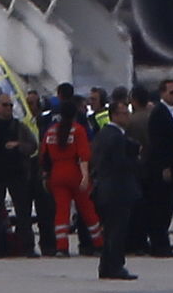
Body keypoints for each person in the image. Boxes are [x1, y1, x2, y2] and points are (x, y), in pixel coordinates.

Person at [0, 93, 39, 258]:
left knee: (23, 212)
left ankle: (27, 247)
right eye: (5, 105)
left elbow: (33, 145)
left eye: (10, 106)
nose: (8, 109)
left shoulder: (19, 127)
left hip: (16, 174)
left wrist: (18, 145)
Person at [41, 101, 104, 257]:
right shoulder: (78, 130)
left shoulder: (51, 132)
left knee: (61, 212)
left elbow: (43, 156)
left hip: (56, 174)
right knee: (88, 210)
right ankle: (99, 244)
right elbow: (84, 156)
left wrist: (45, 175)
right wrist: (85, 176)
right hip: (74, 173)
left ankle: (62, 246)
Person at [91, 101, 141, 280]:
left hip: (104, 188)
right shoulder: (116, 137)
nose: (127, 116)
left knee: (110, 229)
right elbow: (119, 164)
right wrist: (136, 160)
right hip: (117, 189)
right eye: (124, 113)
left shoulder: (103, 134)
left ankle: (106, 265)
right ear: (115, 115)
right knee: (117, 231)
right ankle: (115, 266)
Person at [144, 79, 173, 257]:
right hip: (164, 169)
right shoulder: (159, 113)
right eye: (171, 92)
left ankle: (162, 242)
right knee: (161, 207)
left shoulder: (169, 112)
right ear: (162, 93)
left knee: (166, 208)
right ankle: (160, 245)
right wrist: (165, 166)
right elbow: (158, 144)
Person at [26, 89, 57, 257]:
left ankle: (48, 245)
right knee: (24, 210)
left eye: (32, 103)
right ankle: (26, 245)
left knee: (46, 210)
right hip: (26, 167)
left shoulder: (45, 121)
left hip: (41, 167)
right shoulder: (22, 121)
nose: (30, 106)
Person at [125, 85, 151, 255]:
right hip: (151, 167)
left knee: (135, 209)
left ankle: (135, 242)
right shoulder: (153, 117)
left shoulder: (131, 122)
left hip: (136, 169)